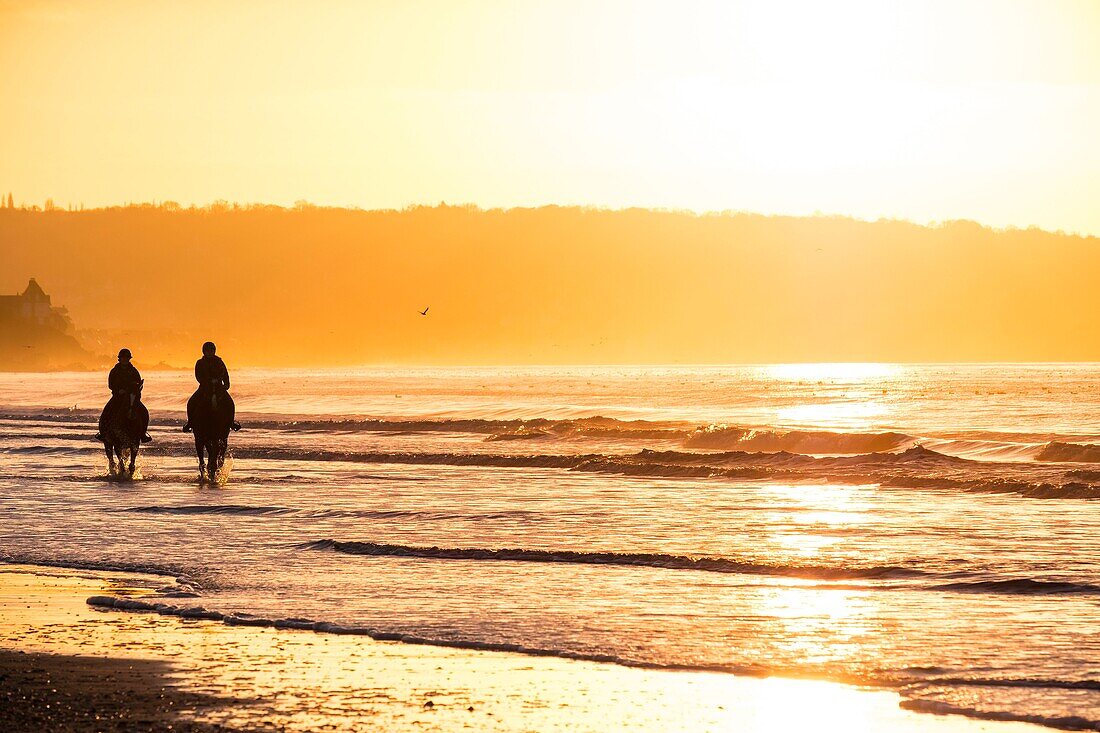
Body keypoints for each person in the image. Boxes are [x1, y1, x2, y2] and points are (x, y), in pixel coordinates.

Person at [183, 341, 241, 432]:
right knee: (191, 402)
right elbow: (198, 376)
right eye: (207, 351)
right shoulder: (200, 363)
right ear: (204, 352)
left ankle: (231, 422)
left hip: (219, 388)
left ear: (214, 351)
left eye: (211, 351)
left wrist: (226, 385)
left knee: (230, 403)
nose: (209, 353)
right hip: (204, 388)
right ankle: (190, 423)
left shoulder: (219, 362)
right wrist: (208, 381)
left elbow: (225, 374)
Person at [96, 348, 152, 442]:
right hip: (118, 397)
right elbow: (110, 385)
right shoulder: (114, 371)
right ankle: (103, 433)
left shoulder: (134, 371)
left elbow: (138, 384)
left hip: (131, 397)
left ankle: (143, 433)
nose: (125, 360)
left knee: (144, 412)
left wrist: (135, 390)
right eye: (123, 358)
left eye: (127, 358)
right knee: (107, 411)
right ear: (120, 359)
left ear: (129, 359)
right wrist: (118, 391)